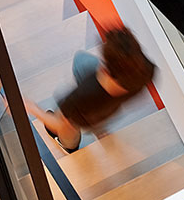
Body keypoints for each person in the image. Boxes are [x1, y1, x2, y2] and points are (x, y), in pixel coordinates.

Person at [26, 26, 156, 153]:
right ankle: (98, 129)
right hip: (106, 110)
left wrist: (33, 109)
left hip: (84, 113)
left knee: (68, 127)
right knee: (81, 60)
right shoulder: (146, 72)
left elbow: (61, 125)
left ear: (105, 70)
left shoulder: (80, 97)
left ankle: (69, 146)